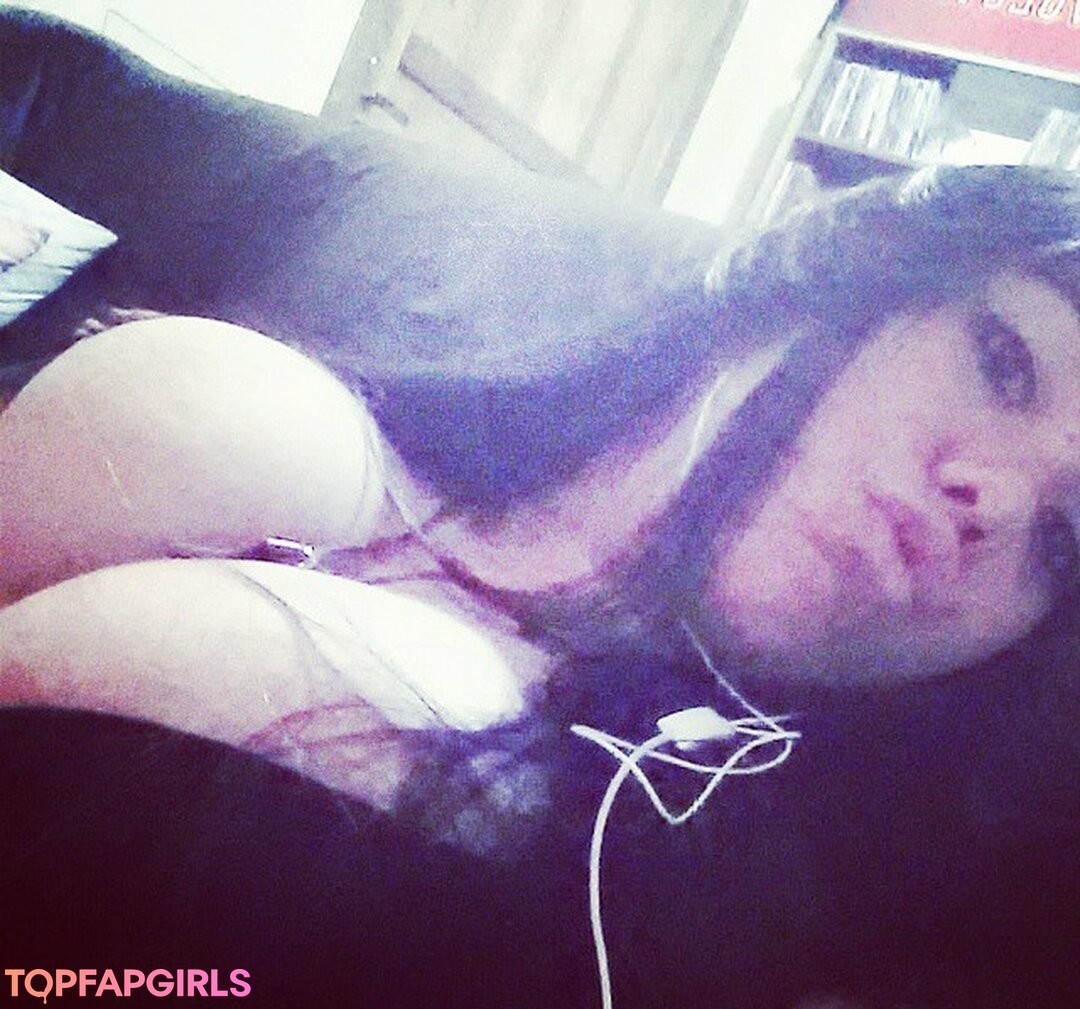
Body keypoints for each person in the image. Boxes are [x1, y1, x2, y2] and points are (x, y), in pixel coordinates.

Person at [0, 160, 1077, 827]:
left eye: (1067, 539)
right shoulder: (286, 426)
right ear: (852, 277)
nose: (995, 501)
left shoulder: (693, 874)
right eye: (1004, 361)